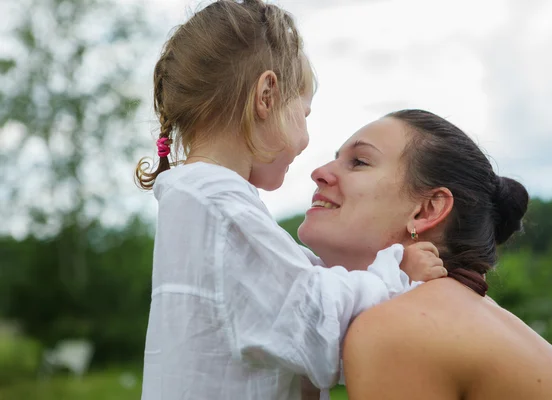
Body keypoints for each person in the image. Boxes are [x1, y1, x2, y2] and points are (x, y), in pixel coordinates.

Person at [134, 2, 446, 399]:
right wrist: (397, 273)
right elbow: (315, 318)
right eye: (305, 113)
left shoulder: (202, 202)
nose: (306, 140)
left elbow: (290, 287)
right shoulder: (218, 206)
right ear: (266, 96)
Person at [297, 109, 552, 399]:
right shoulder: (460, 311)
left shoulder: (402, 326)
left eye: (359, 161)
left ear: (427, 209)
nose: (319, 172)